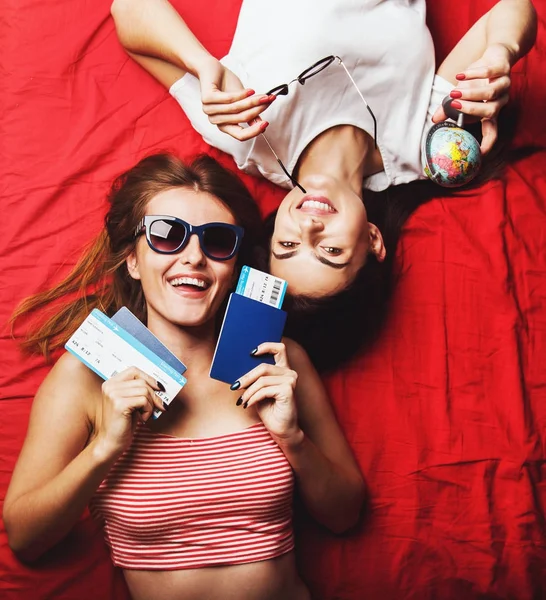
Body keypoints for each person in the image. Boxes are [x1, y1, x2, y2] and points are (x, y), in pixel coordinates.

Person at [3, 153, 365, 600]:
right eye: (166, 236)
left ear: (233, 268)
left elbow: (345, 515)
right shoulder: (84, 376)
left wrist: (292, 438)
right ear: (133, 261)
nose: (193, 257)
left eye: (217, 242)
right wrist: (105, 448)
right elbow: (25, 538)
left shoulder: (279, 358)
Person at [110, 0, 537, 372]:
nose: (308, 230)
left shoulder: (243, 131)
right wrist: (499, 58)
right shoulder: (426, 151)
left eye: (288, 247)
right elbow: (512, 10)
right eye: (330, 251)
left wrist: (202, 66)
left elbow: (127, 10)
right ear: (372, 239)